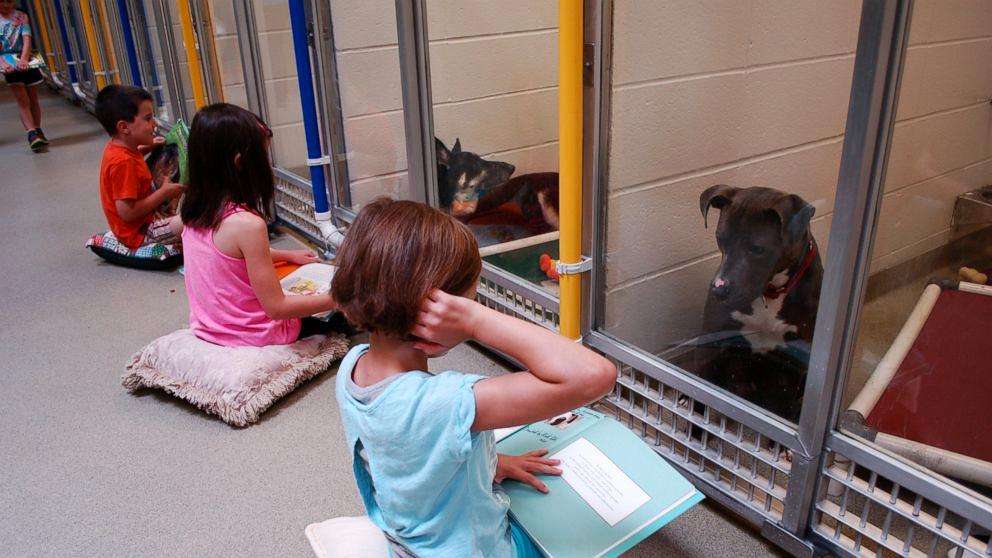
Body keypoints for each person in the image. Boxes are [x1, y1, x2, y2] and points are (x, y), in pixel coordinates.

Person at [330, 198, 617, 557]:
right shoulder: (446, 403)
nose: (474, 303)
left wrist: (491, 465)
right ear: (440, 309)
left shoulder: (352, 367)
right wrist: (476, 322)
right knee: (604, 540)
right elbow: (596, 375)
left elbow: (408, 457)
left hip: (409, 544)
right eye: (469, 298)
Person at [177, 103, 335, 347]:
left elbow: (229, 255)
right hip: (255, 335)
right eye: (264, 158)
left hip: (211, 327)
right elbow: (276, 308)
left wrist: (286, 255)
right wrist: (339, 299)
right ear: (241, 163)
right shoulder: (246, 224)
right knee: (347, 313)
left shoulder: (193, 209)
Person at [95, 85, 183, 251]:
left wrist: (146, 149)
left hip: (147, 216)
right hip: (140, 232)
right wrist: (163, 193)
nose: (155, 124)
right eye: (148, 118)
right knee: (189, 223)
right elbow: (127, 213)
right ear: (123, 127)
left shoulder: (119, 147)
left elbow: (131, 159)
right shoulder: (122, 162)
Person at [0, 0, 47, 151]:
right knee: (22, 99)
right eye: (1, 2)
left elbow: (27, 38)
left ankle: (38, 129)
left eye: (8, 2)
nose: (5, 5)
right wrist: (3, 64)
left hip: (26, 60)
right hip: (8, 62)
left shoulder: (21, 16)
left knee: (33, 98)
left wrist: (24, 59)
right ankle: (31, 133)